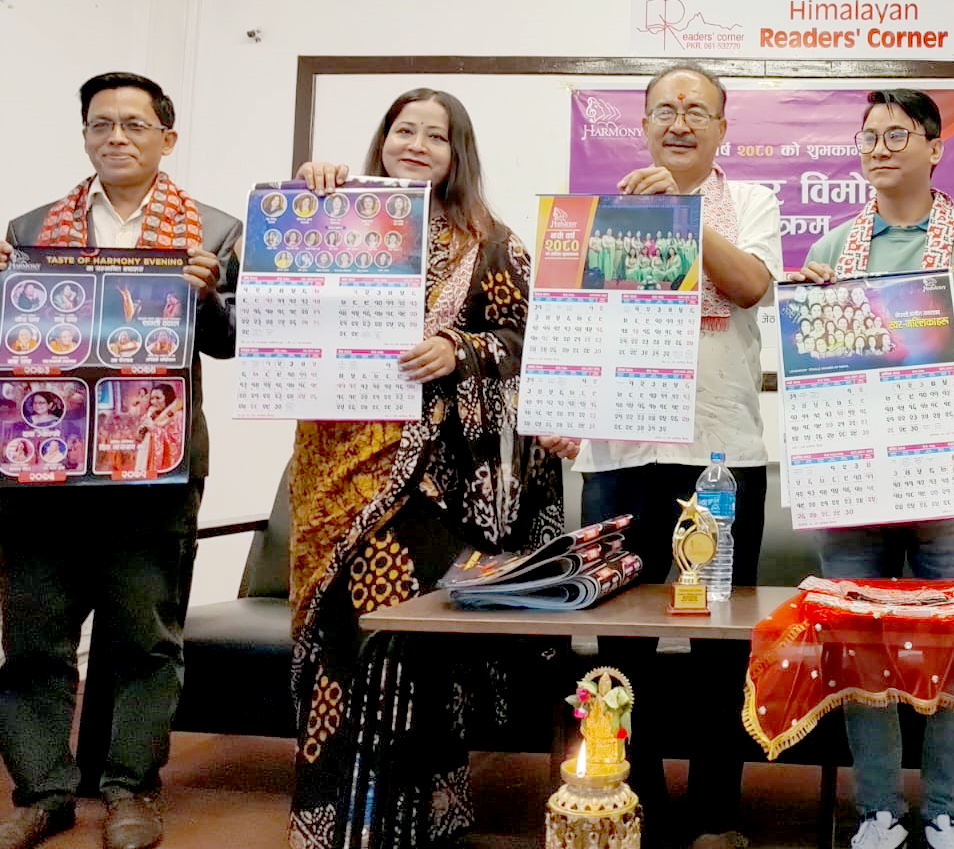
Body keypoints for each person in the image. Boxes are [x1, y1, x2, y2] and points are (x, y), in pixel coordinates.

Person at [290, 88, 577, 849]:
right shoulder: (337, 220)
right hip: (335, 461)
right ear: (383, 138)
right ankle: (332, 820)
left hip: (434, 477)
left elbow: (533, 338)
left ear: (458, 154)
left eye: (435, 136)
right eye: (403, 130)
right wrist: (311, 194)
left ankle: (418, 818)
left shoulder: (493, 244)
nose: (415, 145)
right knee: (339, 638)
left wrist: (461, 349)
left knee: (406, 642)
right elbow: (280, 296)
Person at [0, 72, 239, 849]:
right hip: (45, 465)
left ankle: (131, 789)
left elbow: (235, 342)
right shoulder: (30, 230)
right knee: (33, 641)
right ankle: (42, 792)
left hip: (154, 468)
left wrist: (208, 297)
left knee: (146, 640)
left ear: (167, 138)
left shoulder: (214, 231)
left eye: (134, 124)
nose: (116, 137)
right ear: (84, 136)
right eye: (101, 124)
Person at [791, 89, 954, 849]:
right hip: (853, 485)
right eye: (868, 137)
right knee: (861, 648)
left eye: (897, 135)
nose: (880, 148)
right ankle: (878, 810)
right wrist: (804, 314)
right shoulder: (833, 248)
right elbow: (817, 366)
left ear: (935, 148)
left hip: (948, 478)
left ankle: (951, 812)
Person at [576, 65, 780, 849]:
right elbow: (580, 329)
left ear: (722, 128)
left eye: (697, 111)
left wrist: (682, 216)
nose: (680, 122)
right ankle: (632, 803)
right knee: (618, 641)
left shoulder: (752, 203)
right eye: (665, 110)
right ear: (643, 126)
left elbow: (751, 285)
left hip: (719, 456)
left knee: (718, 639)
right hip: (621, 451)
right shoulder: (601, 217)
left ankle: (715, 816)